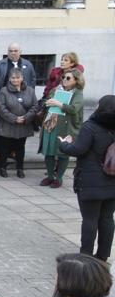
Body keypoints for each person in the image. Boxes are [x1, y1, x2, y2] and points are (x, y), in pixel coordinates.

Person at [59, 95, 115, 260]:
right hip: (112, 182)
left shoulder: (91, 127)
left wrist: (64, 143)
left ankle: (86, 256)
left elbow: (78, 149)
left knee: (90, 220)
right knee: (107, 219)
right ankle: (103, 257)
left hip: (91, 182)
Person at [39, 67, 84, 188]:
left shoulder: (77, 93)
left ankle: (58, 178)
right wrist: (47, 103)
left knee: (63, 152)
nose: (64, 79)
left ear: (76, 80)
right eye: (63, 77)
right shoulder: (55, 89)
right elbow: (46, 101)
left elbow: (74, 109)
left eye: (68, 78)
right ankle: (50, 176)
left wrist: (59, 104)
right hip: (51, 124)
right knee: (49, 151)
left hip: (66, 127)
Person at [0, 69, 37, 178]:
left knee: (20, 147)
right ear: (9, 79)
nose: (15, 80)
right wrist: (14, 118)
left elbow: (35, 106)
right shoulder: (4, 91)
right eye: (13, 78)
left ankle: (20, 168)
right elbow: (1, 107)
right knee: (4, 147)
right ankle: (2, 168)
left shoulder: (30, 91)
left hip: (24, 124)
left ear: (22, 78)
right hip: (7, 125)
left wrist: (25, 117)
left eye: (18, 78)